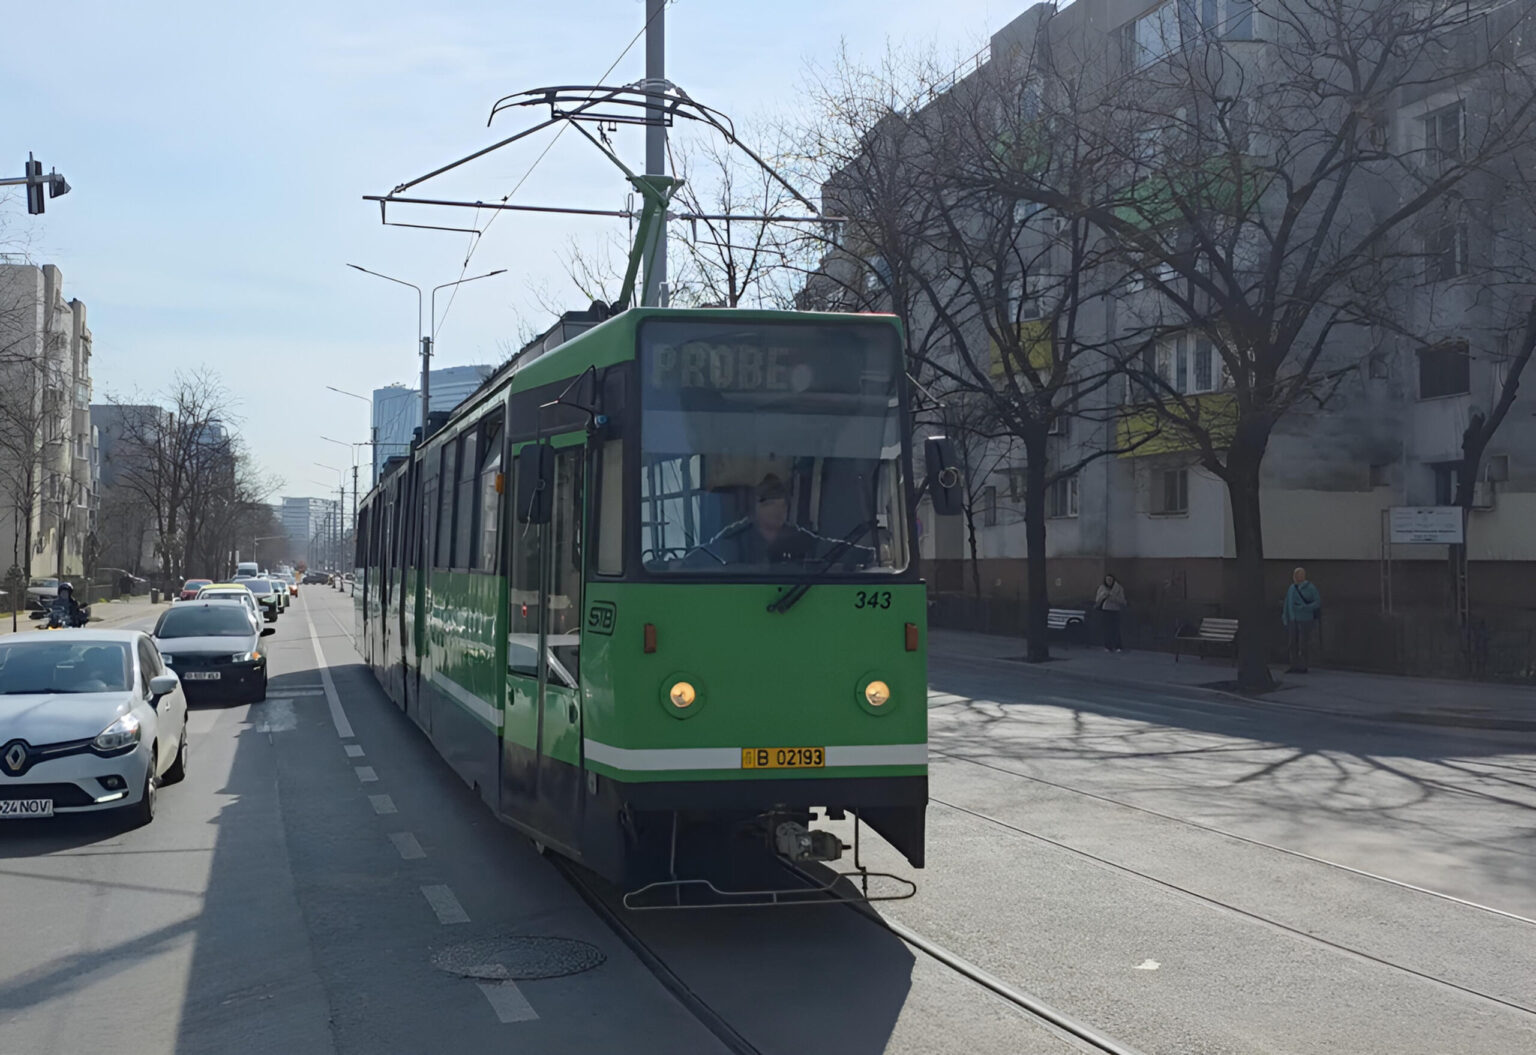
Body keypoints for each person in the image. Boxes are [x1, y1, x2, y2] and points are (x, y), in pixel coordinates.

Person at [1282, 566, 1322, 673]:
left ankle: (1303, 666)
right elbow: (1287, 602)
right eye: (1295, 575)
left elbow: (1317, 602)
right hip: (1292, 619)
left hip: (1305, 619)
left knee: (1302, 643)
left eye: (1299, 575)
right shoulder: (1291, 588)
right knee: (1292, 643)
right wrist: (1285, 616)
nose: (1296, 577)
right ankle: (1293, 664)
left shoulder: (1310, 588)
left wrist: (1305, 607)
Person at [1094, 573, 1127, 652]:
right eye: (1107, 580)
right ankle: (1108, 646)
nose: (1109, 581)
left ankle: (1118, 646)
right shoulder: (1102, 588)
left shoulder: (1119, 588)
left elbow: (1122, 600)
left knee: (1115, 629)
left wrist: (1112, 597)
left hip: (1115, 610)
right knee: (1107, 629)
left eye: (1110, 580)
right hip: (1106, 610)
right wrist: (1103, 596)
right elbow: (1097, 600)